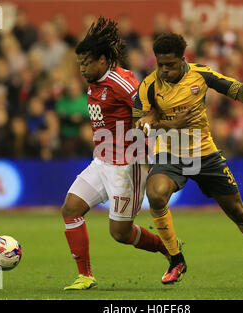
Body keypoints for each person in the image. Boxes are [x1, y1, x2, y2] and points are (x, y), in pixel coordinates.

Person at [135, 33, 243, 288]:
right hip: (170, 153)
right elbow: (139, 125)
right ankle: (176, 259)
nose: (164, 70)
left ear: (182, 59)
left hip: (205, 153)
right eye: (160, 64)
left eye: (170, 65)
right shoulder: (149, 86)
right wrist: (169, 124)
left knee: (237, 212)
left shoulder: (201, 74)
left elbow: (238, 94)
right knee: (155, 195)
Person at [61, 17, 171, 290]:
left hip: (127, 165)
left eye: (86, 62)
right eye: (80, 63)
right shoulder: (95, 81)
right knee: (71, 209)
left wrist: (146, 123)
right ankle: (85, 276)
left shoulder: (121, 82)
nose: (82, 68)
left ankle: (169, 250)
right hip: (102, 161)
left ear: (103, 60)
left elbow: (150, 105)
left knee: (120, 234)